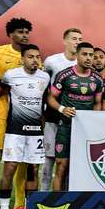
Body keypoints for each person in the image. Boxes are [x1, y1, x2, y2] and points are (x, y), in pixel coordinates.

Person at [0, 45, 49, 209]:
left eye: (37, 56)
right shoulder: (11, 75)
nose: (35, 60)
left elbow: (44, 105)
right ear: (23, 59)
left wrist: (44, 132)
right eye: (30, 56)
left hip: (36, 133)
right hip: (15, 131)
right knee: (9, 168)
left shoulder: (45, 77)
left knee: (33, 170)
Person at [0, 17, 32, 209]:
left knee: (21, 161)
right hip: (1, 115)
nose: (24, 35)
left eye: (27, 32)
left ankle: (19, 205)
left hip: (23, 117)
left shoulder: (32, 56)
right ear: (10, 34)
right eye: (20, 31)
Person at [47, 42, 103, 191]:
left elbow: (98, 103)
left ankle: (76, 204)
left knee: (83, 168)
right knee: (61, 166)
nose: (89, 58)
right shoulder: (64, 75)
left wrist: (93, 121)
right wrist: (62, 109)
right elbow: (50, 98)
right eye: (85, 54)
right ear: (77, 55)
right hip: (65, 128)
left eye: (91, 55)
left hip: (85, 132)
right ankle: (56, 205)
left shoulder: (97, 79)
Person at [40, 28, 82, 191]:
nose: (77, 41)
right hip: (53, 116)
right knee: (49, 159)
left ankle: (64, 197)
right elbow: (45, 89)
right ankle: (44, 194)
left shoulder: (83, 63)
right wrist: (42, 114)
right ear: (64, 41)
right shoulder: (52, 61)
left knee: (67, 161)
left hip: (74, 120)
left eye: (80, 38)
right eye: (74, 38)